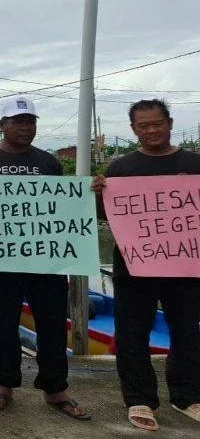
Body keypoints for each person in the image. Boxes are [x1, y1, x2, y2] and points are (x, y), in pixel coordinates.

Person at [0, 96, 89, 421]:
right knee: (2, 325)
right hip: (1, 262)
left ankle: (55, 387)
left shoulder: (50, 163)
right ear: (2, 125)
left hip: (46, 262)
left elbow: (63, 207)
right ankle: (3, 384)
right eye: (18, 121)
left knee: (52, 324)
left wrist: (92, 193)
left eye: (30, 121)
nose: (25, 127)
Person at [91, 99, 200, 430]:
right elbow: (102, 215)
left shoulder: (195, 163)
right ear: (133, 130)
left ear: (169, 123)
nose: (152, 130)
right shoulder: (121, 168)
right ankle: (140, 399)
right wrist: (98, 193)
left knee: (187, 332)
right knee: (132, 334)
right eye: (144, 125)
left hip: (185, 266)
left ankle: (187, 396)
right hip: (134, 267)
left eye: (157, 123)